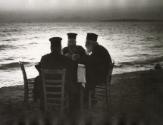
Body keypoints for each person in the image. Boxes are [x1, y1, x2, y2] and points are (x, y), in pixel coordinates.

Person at [34, 37, 76, 105]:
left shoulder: (44, 58)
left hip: (47, 91)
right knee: (72, 82)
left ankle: (40, 102)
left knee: (38, 79)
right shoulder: (65, 59)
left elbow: (40, 69)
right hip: (61, 90)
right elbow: (73, 68)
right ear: (60, 47)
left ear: (51, 47)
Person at [84, 33, 112, 106]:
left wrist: (84, 57)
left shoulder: (97, 50)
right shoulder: (99, 48)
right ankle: (91, 98)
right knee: (87, 74)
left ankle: (88, 99)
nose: (86, 46)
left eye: (87, 44)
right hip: (104, 75)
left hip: (101, 77)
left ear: (91, 44)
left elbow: (90, 62)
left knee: (84, 78)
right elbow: (92, 62)